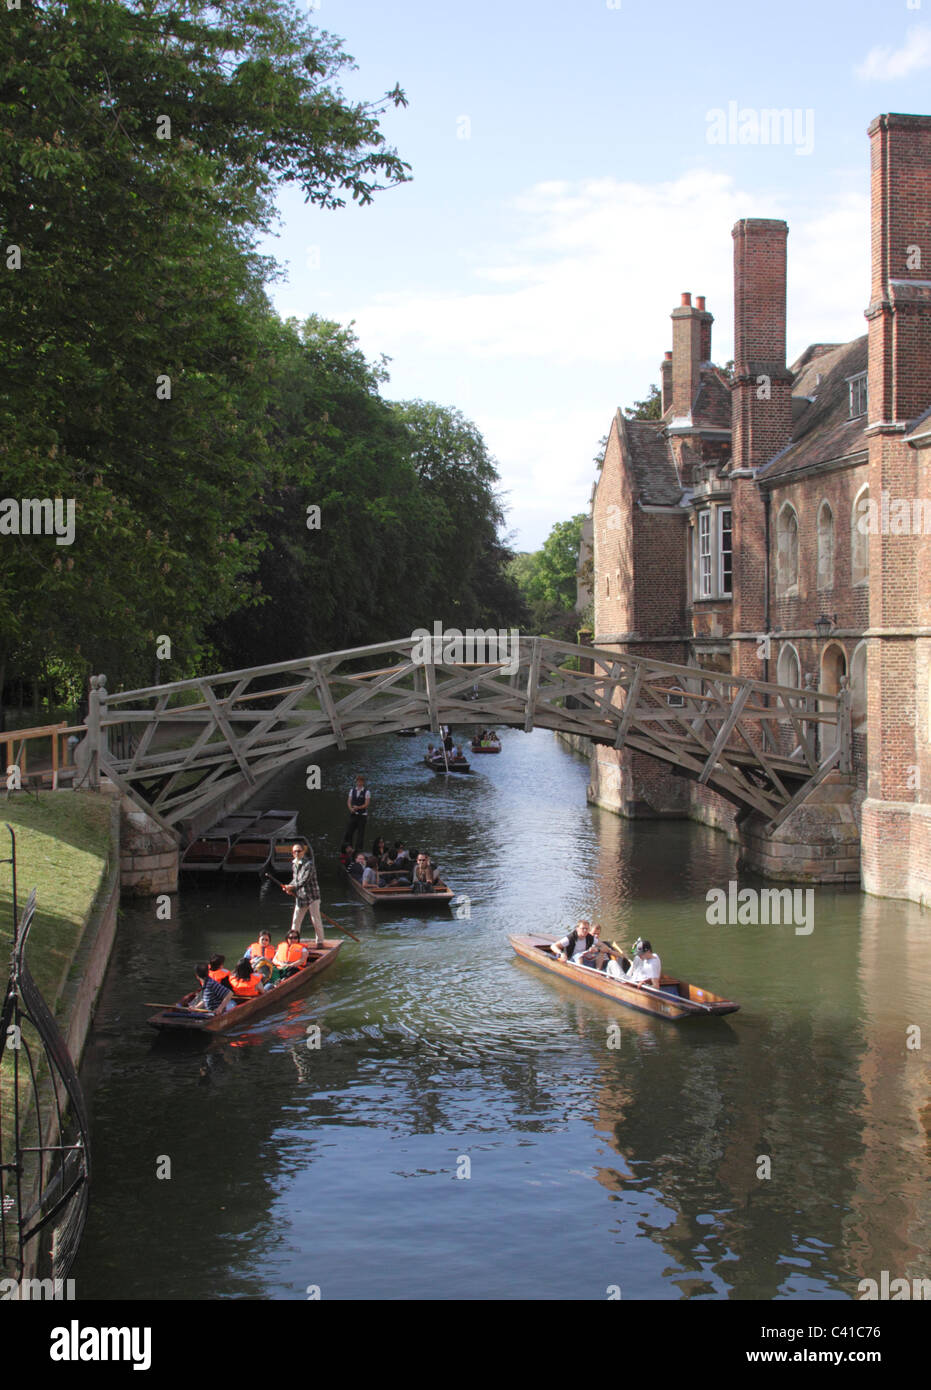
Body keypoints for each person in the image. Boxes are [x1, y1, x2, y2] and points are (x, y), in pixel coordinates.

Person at [282, 842, 324, 948]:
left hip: (312, 896)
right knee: (296, 919)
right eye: (294, 851)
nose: (297, 853)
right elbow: (295, 880)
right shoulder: (294, 864)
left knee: (315, 919)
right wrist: (288, 886)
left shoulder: (309, 864)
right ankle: (293, 941)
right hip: (301, 896)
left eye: (299, 851)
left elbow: (304, 880)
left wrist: (292, 887)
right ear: (292, 853)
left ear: (303, 852)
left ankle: (319, 941)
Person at [344, 775, 370, 851]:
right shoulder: (352, 790)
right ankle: (349, 848)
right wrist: (351, 809)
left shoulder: (366, 792)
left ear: (363, 782)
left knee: (360, 834)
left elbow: (367, 804)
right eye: (358, 781)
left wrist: (358, 807)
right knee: (349, 832)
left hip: (362, 816)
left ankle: (358, 850)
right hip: (354, 814)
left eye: (361, 781)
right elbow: (349, 801)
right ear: (356, 782)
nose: (359, 783)